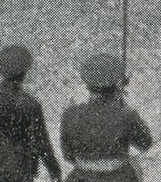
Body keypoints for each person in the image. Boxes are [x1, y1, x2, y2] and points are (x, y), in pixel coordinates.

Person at [58, 54, 155, 182]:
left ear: (88, 85)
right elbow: (145, 143)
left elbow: (68, 156)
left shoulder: (70, 114)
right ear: (116, 86)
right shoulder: (126, 114)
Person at [0, 45, 59, 182]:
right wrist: (54, 169)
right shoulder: (30, 103)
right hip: (19, 166)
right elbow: (41, 142)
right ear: (24, 72)